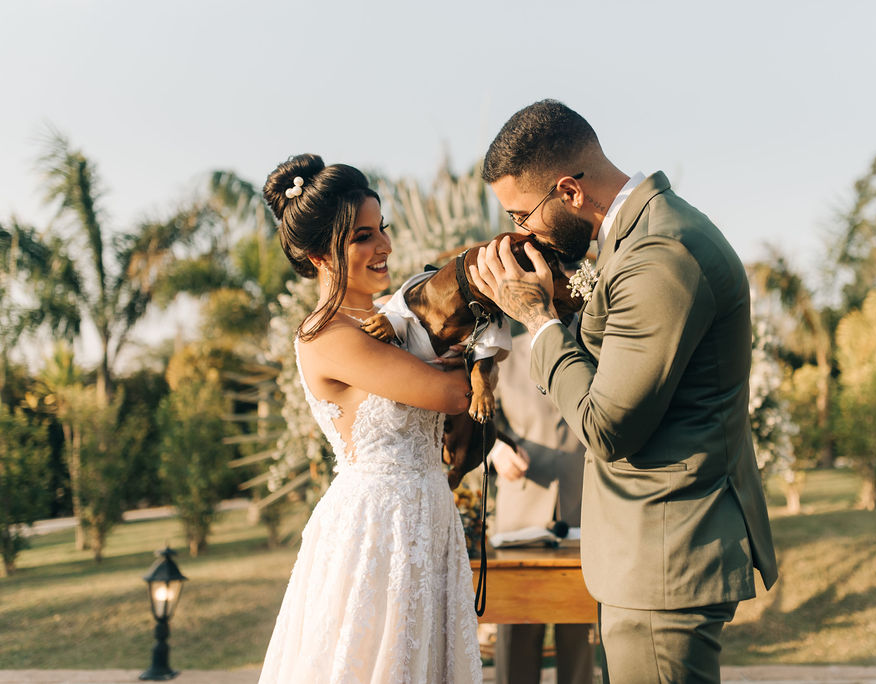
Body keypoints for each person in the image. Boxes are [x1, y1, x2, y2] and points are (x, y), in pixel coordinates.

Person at [470, 100, 778, 684]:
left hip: (665, 553)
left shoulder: (660, 254)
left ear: (569, 190)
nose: (519, 233)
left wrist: (538, 322)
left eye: (521, 214)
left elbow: (607, 426)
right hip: (646, 554)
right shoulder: (633, 242)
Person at [257, 154, 483, 684]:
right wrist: (466, 360)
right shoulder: (326, 335)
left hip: (429, 512)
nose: (383, 247)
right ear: (318, 253)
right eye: (361, 236)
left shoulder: (397, 318)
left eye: (381, 229)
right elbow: (452, 394)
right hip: (378, 527)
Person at [488, 331, 594, 684]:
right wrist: (494, 451)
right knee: (516, 638)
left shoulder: (596, 342)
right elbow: (476, 422)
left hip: (584, 510)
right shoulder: (502, 351)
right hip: (519, 513)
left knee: (579, 637)